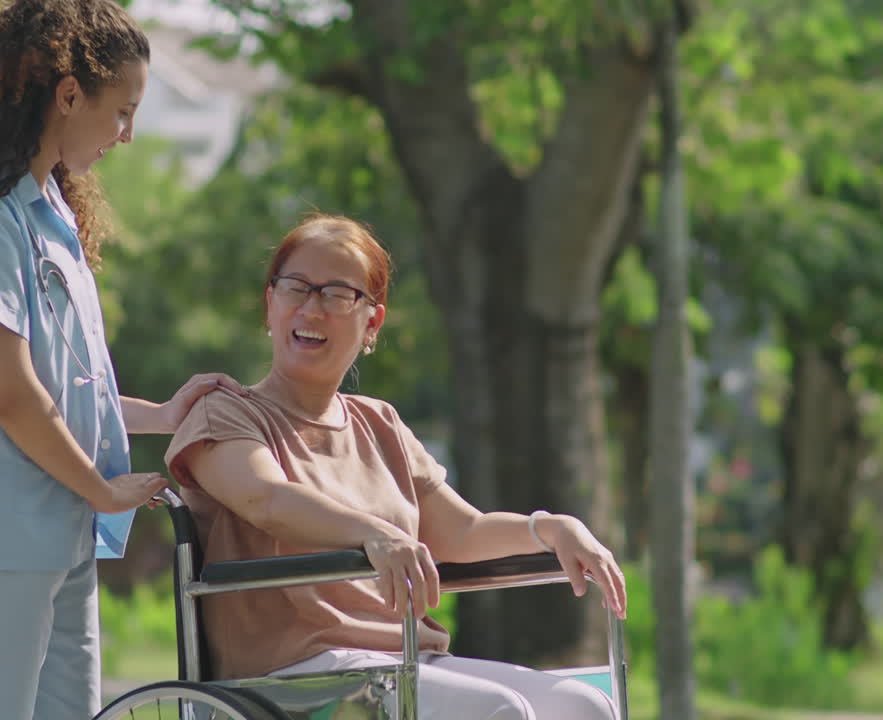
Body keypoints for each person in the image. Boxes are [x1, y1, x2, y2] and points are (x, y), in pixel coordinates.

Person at [0, 2, 242, 718]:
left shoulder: (52, 215)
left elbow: (67, 394)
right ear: (69, 94)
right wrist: (103, 489)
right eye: (122, 112)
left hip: (58, 532)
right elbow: (11, 394)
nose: (128, 134)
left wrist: (161, 415)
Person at [164, 215, 628, 719]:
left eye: (338, 294)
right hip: (293, 673)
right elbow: (266, 498)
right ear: (269, 304)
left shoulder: (380, 422)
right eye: (296, 287)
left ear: (372, 322)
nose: (311, 307)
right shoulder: (224, 412)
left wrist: (550, 527)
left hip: (404, 657)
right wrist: (374, 533)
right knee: (498, 712)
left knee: (585, 707)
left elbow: (462, 530)